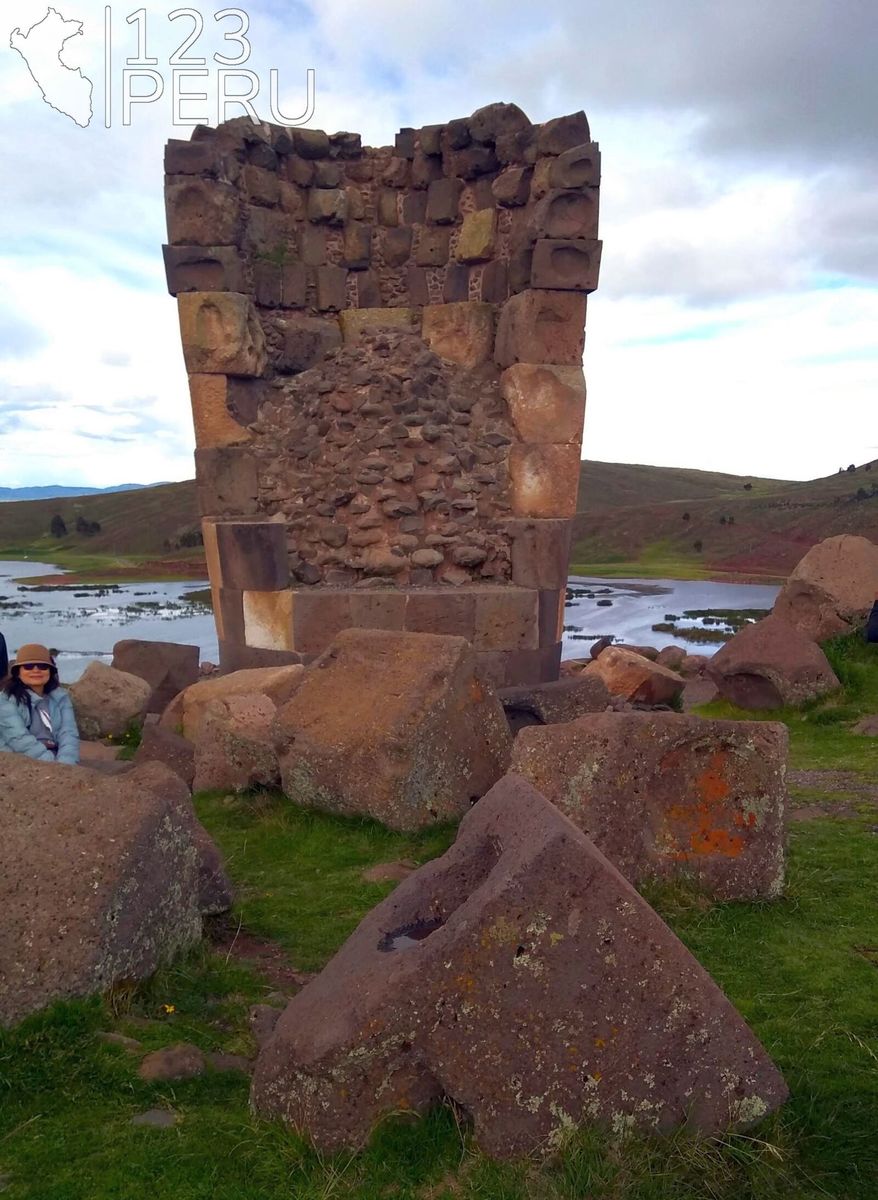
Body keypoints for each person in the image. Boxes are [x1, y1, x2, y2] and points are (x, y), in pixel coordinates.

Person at [0, 642, 80, 764]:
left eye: (43, 666)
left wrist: (66, 763)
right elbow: (18, 739)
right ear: (18, 672)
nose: (36, 670)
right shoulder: (5, 700)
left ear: (50, 671)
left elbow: (69, 734)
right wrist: (51, 764)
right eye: (28, 666)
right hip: (19, 760)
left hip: (55, 759)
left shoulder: (61, 698)